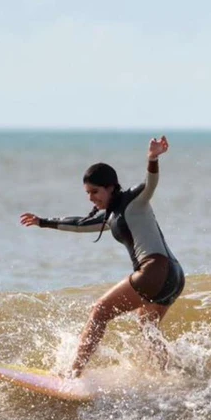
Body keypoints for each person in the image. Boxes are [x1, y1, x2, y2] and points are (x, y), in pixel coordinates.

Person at [20, 135, 184, 377]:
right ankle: (169, 376)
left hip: (154, 270)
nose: (91, 198)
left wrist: (152, 159)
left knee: (99, 311)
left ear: (110, 187)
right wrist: (43, 222)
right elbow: (78, 224)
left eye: (95, 191)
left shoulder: (133, 200)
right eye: (87, 193)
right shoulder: (111, 216)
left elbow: (150, 184)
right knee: (147, 326)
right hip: (175, 276)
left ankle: (73, 373)